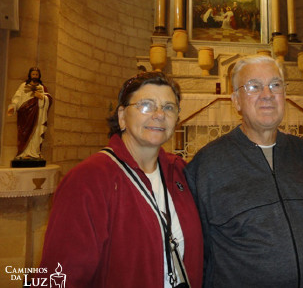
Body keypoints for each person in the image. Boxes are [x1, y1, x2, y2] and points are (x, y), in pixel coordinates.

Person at [184, 55, 303, 287]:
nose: (267, 94)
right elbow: (198, 248)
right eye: (253, 86)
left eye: (275, 85)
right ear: (236, 101)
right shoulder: (208, 164)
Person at [39, 72, 203, 288]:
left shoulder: (179, 171)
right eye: (146, 105)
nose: (159, 114)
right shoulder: (88, 179)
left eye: (169, 107)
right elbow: (58, 277)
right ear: (122, 116)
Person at [7, 67, 52, 160]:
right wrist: (13, 106)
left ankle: (34, 153)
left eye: (36, 74)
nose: (35, 76)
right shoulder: (23, 86)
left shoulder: (42, 87)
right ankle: (22, 153)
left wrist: (42, 97)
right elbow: (17, 97)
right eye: (33, 74)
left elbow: (49, 98)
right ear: (30, 75)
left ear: (39, 76)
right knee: (24, 133)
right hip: (24, 113)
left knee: (36, 132)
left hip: (37, 114)